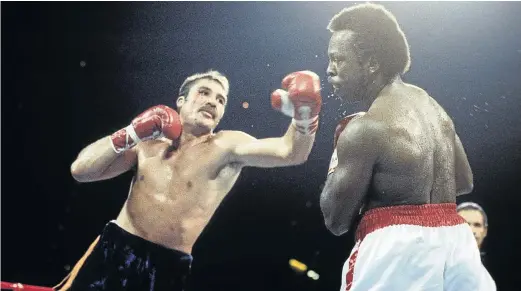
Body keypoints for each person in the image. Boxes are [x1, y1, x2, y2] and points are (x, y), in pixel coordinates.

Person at [55, 69, 322, 291]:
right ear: (181, 100)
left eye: (220, 100)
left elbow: (291, 152)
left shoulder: (226, 146)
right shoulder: (148, 143)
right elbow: (81, 170)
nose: (212, 102)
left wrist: (305, 115)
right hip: (114, 249)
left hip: (167, 267)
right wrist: (130, 132)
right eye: (204, 93)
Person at [318, 3, 494, 290]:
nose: (329, 70)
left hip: (396, 252)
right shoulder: (433, 108)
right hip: (457, 245)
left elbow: (335, 220)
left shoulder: (364, 129)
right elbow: (463, 181)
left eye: (338, 59)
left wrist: (338, 157)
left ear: (372, 63)